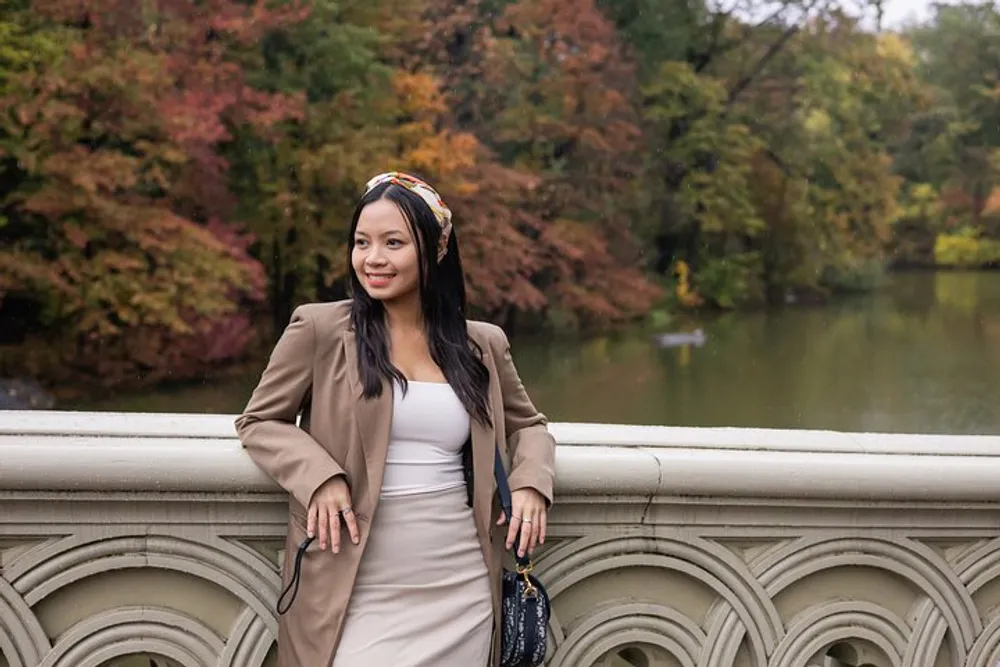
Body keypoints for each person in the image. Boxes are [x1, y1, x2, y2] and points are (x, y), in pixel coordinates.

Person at [234, 171, 557, 667]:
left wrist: (531, 484)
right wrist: (319, 476)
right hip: (354, 583)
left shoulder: (481, 344)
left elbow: (529, 426)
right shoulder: (319, 329)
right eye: (362, 242)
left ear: (435, 250)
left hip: (460, 580)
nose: (373, 259)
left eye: (393, 243)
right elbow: (259, 421)